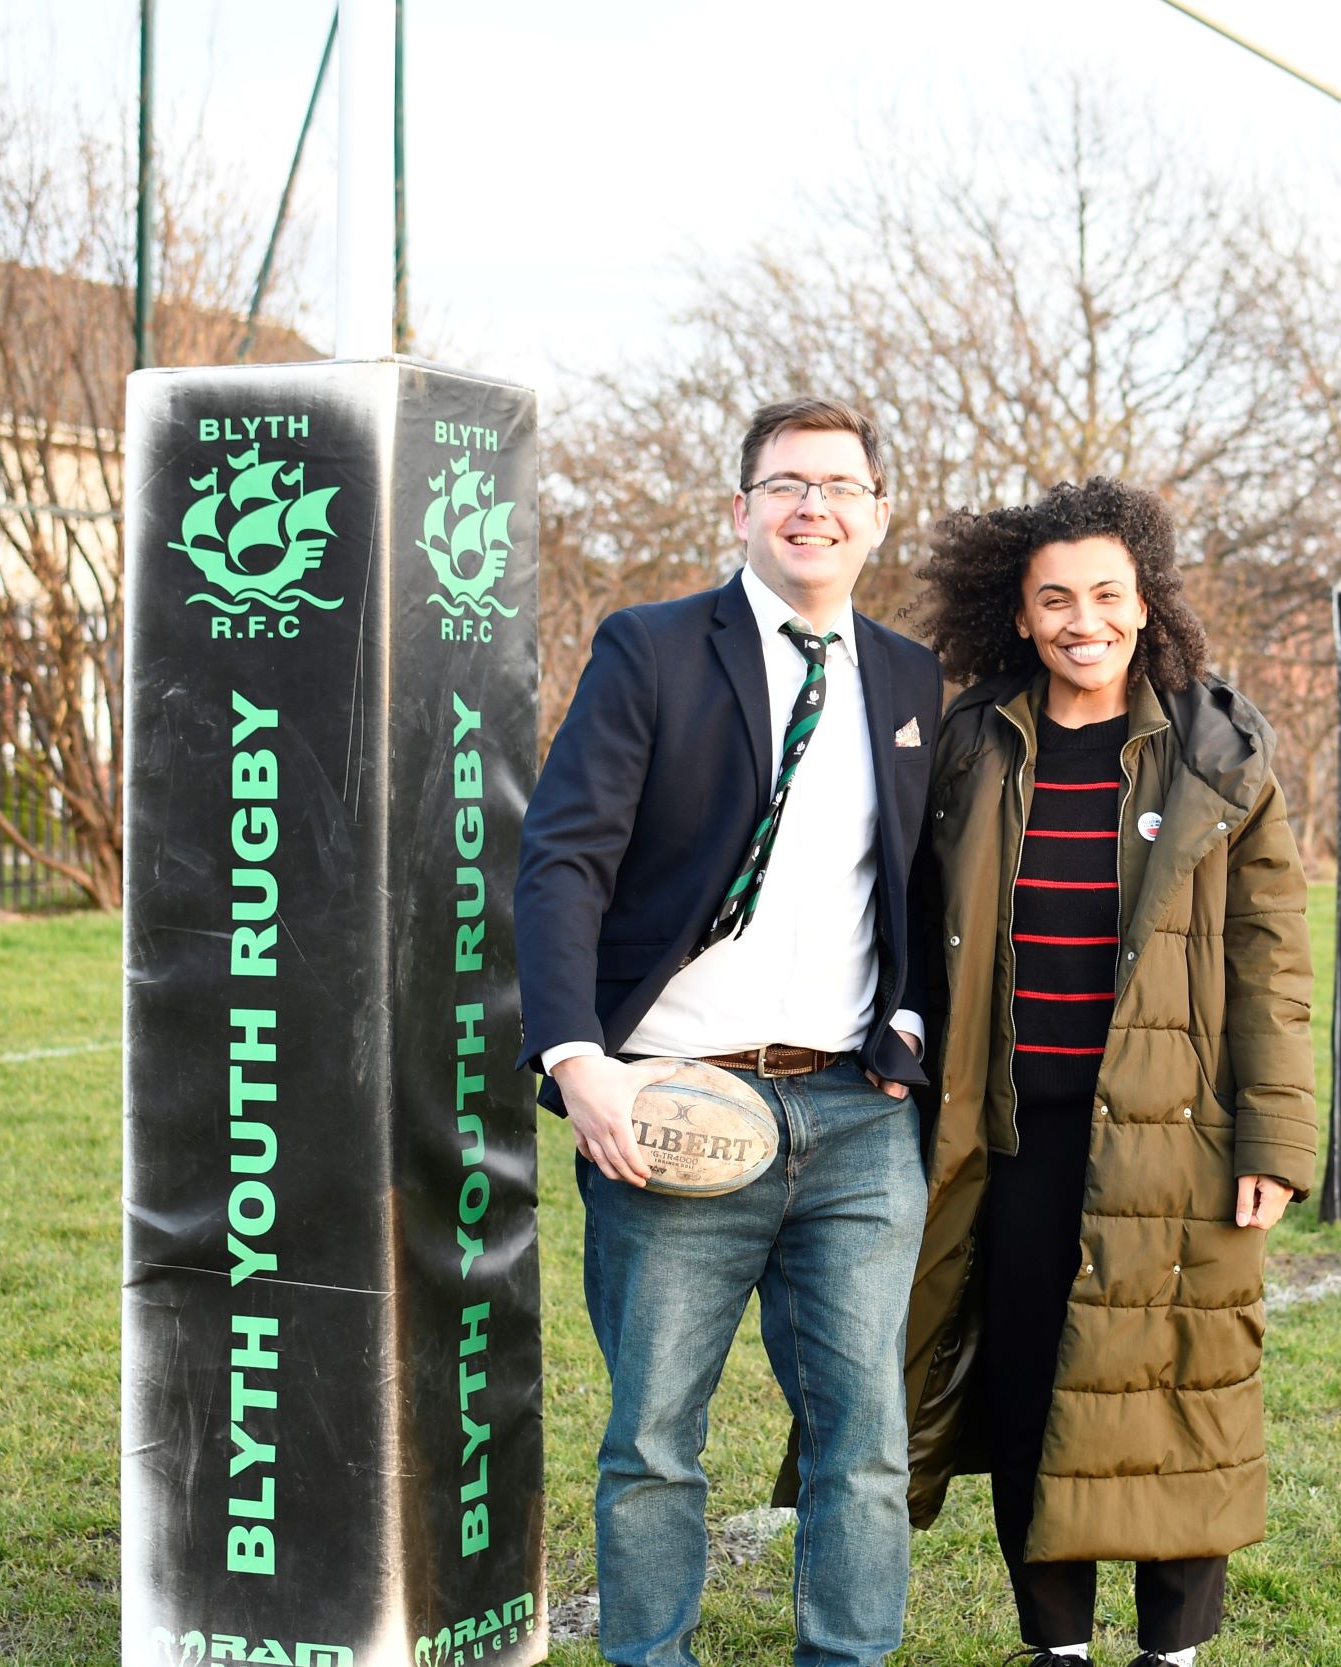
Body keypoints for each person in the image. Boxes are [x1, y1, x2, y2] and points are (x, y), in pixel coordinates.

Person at [514, 397, 944, 1667]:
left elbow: (922, 880)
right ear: (741, 509)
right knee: (654, 1438)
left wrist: (907, 1031)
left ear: (876, 514)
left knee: (863, 1437)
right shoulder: (649, 649)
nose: (815, 504)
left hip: (859, 1118)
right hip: (674, 1107)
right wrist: (579, 1057)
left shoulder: (911, 674)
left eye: (841, 485)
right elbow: (561, 861)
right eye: (787, 483)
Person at [898, 476, 1317, 1667]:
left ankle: (1171, 1650)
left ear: (1146, 603)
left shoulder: (1219, 750)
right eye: (1054, 599)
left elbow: (1273, 959)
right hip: (1018, 1133)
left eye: (1105, 593)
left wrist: (1277, 1142)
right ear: (1019, 615)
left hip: (1182, 1129)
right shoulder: (972, 743)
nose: (1083, 617)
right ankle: (1057, 1647)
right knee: (1032, 1384)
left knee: (1186, 1390)